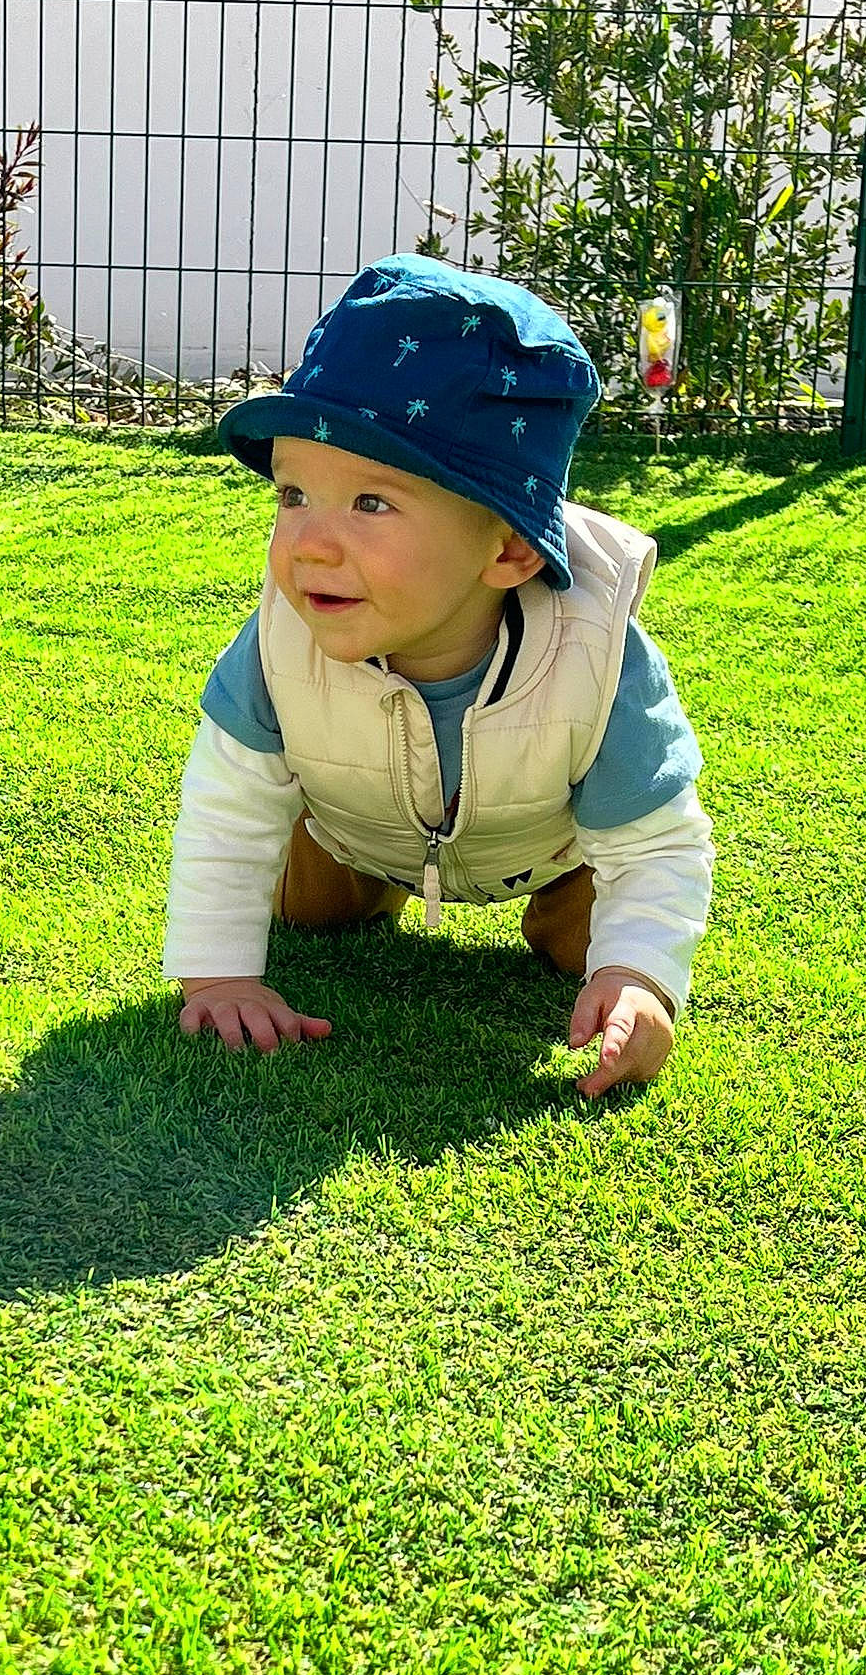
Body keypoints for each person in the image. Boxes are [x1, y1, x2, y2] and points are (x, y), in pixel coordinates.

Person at [161, 254, 714, 1098]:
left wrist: (641, 977)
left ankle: (587, 935)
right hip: (353, 829)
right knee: (306, 911)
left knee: (592, 945)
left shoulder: (597, 658)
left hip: (549, 852)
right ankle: (346, 869)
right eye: (293, 495)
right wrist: (219, 977)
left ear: (510, 549)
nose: (310, 544)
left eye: (371, 503)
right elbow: (226, 808)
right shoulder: (280, 641)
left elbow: (655, 842)